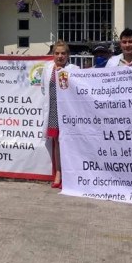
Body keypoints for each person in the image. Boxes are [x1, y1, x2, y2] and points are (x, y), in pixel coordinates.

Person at [43, 41, 80, 189]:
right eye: (57, 53)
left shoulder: (74, 69)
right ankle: (58, 172)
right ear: (53, 55)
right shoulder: (47, 69)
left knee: (69, 142)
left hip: (69, 110)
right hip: (53, 110)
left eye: (63, 53)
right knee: (57, 142)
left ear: (68, 55)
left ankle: (69, 173)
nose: (60, 56)